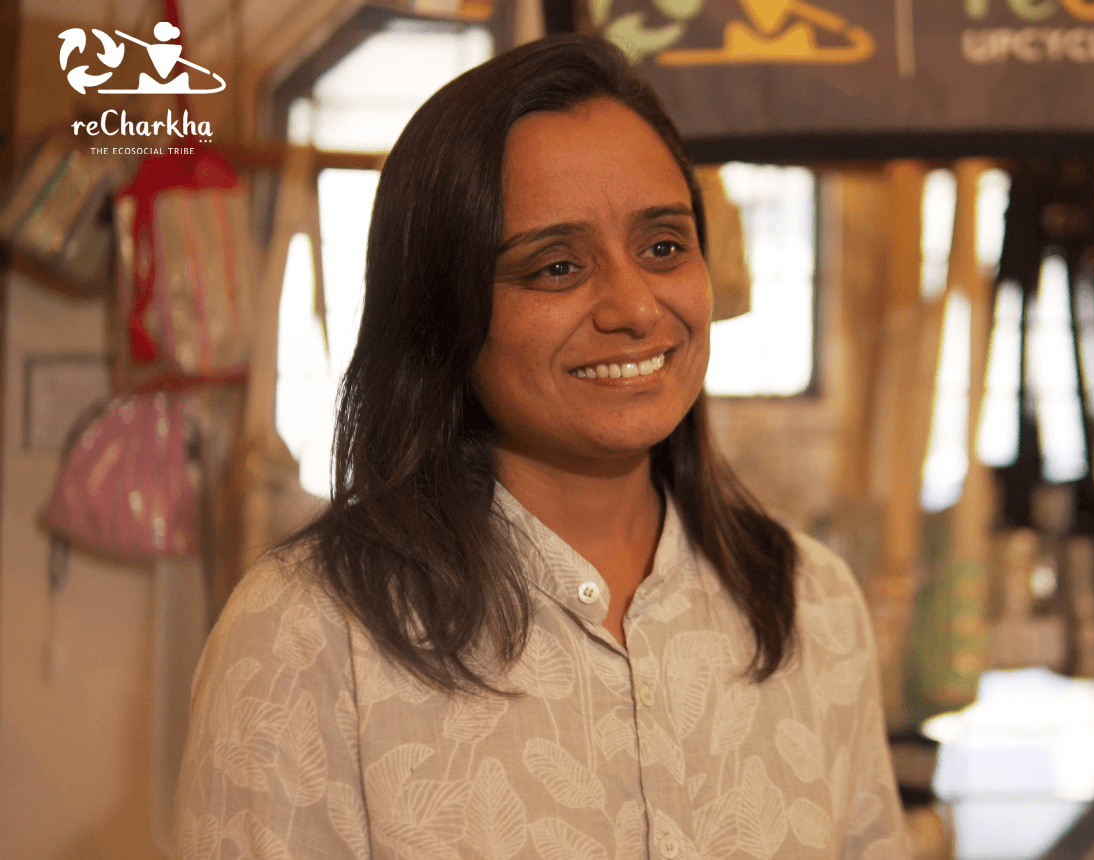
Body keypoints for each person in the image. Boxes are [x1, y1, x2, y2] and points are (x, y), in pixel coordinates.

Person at [176, 34, 910, 859]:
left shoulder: (810, 603)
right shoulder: (310, 632)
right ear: (441, 314)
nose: (635, 307)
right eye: (557, 266)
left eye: (663, 247)